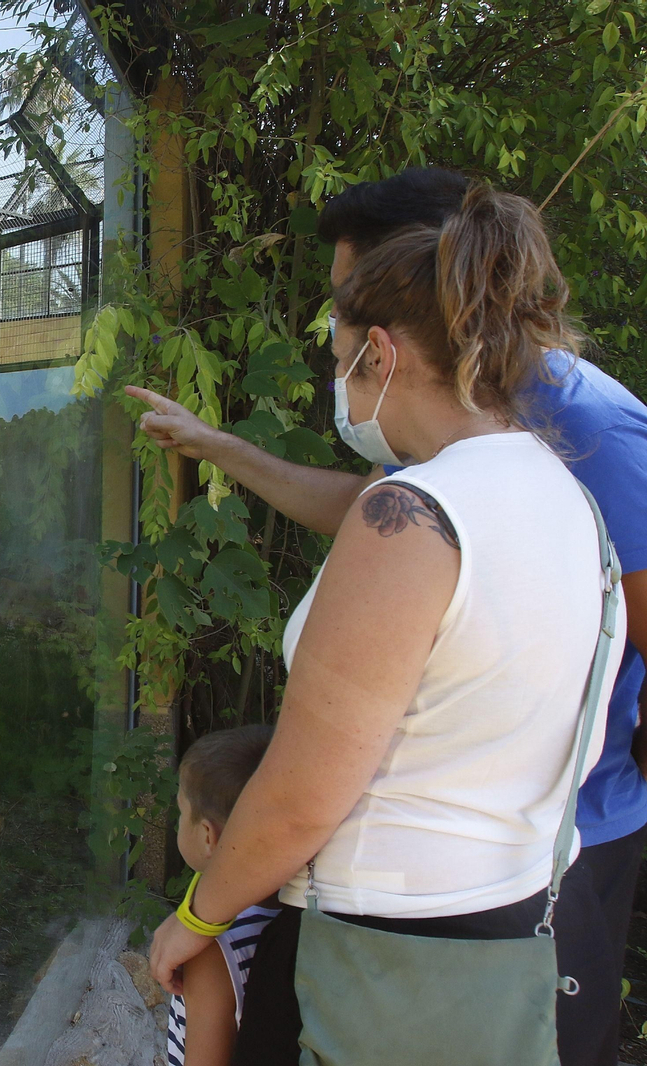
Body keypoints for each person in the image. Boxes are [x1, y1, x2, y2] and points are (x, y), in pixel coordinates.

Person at [131, 167, 647, 1066]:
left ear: (382, 354)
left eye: (338, 361)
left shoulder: (408, 518)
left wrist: (195, 916)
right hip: (517, 927)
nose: (339, 387)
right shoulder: (558, 490)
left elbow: (301, 796)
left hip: (393, 955)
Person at [165, 725, 278, 1066]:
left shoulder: (209, 944)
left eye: (182, 812)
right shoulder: (301, 907)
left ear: (207, 837)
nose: (176, 823)